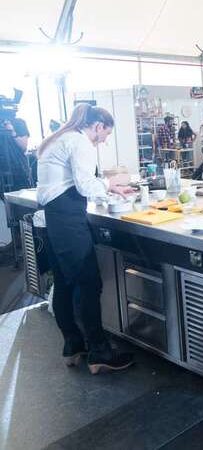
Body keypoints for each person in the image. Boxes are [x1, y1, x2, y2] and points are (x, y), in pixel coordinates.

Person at [37, 103, 135, 373]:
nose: (104, 140)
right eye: (106, 134)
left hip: (53, 218)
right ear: (98, 126)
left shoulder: (60, 138)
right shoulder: (80, 142)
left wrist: (109, 188)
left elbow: (71, 183)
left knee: (64, 283)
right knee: (88, 283)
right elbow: (84, 185)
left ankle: (73, 345)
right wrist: (111, 184)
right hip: (68, 220)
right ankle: (100, 352)